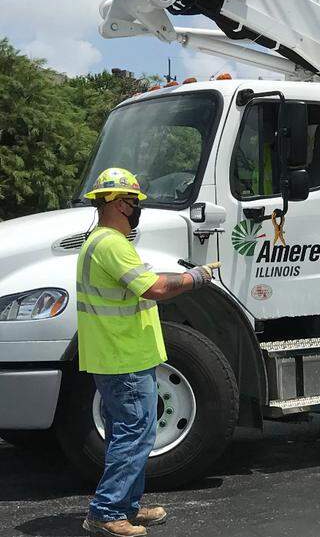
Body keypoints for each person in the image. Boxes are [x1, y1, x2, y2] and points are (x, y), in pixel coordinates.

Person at [77, 168, 220, 537]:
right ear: (120, 204)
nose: (137, 208)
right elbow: (153, 289)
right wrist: (196, 278)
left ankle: (125, 506)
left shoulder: (99, 242)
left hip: (117, 356)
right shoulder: (111, 244)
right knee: (135, 434)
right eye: (134, 201)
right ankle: (106, 511)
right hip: (122, 358)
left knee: (128, 432)